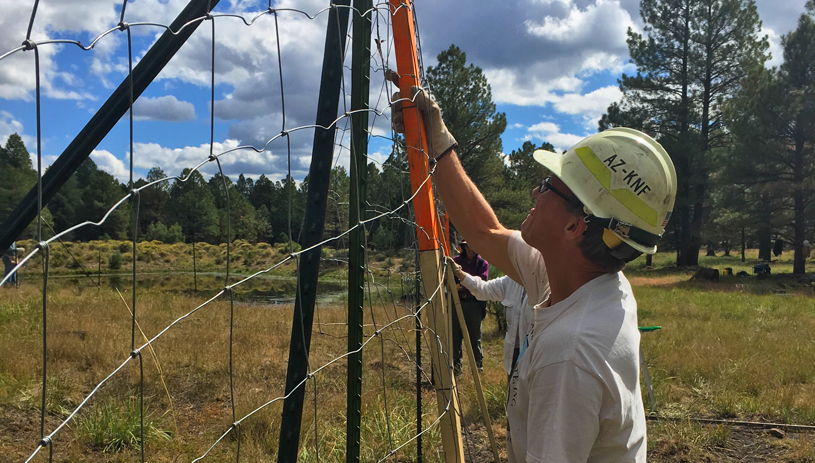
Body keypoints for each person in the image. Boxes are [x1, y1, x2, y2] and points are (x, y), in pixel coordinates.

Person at [392, 86, 677, 462]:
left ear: (575, 226)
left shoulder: (571, 355)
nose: (534, 189)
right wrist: (438, 140)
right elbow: (484, 231)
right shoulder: (582, 279)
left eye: (548, 186)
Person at [450, 259, 545, 383]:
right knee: (514, 395)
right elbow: (484, 289)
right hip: (514, 353)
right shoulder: (511, 281)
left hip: (537, 355)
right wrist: (460, 274)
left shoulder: (547, 285)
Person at [451, 240, 489, 372]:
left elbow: (481, 284)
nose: (471, 249)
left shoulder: (482, 264)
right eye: (468, 246)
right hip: (457, 303)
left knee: (474, 337)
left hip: (473, 305)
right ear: (464, 247)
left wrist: (464, 287)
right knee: (455, 336)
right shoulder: (455, 261)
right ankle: (456, 366)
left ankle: (478, 367)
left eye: (474, 245)